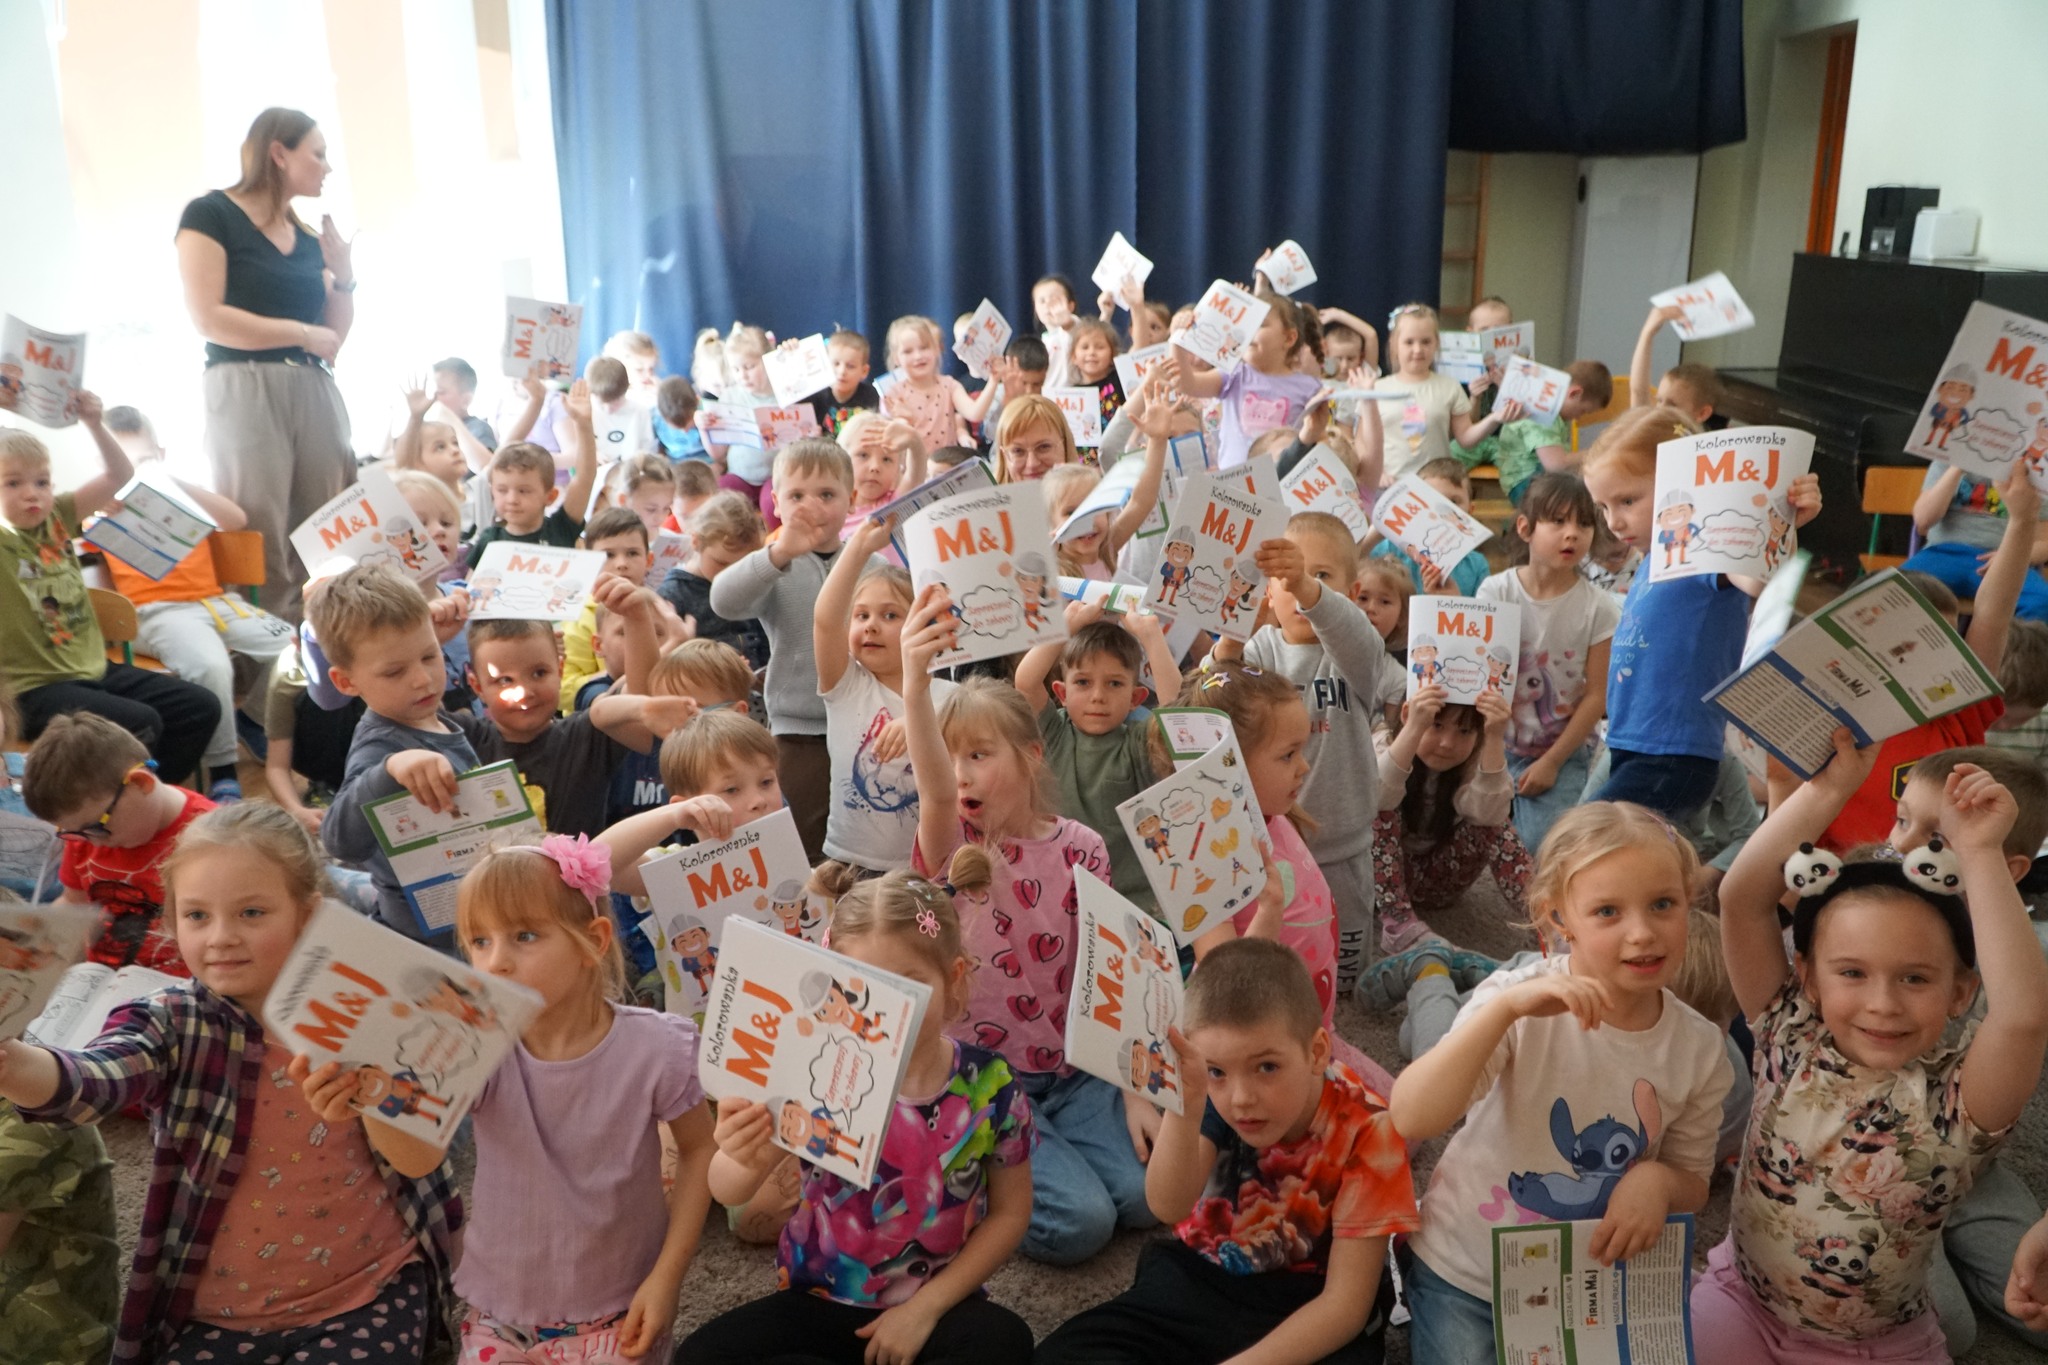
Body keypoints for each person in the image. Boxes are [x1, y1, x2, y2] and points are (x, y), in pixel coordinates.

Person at [0, 803, 462, 1364]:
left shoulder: (372, 1010)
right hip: (218, 1309)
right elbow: (94, 1081)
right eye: (197, 915)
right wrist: (11, 1061)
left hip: (366, 1289)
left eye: (251, 912)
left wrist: (374, 1097)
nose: (221, 937)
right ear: (172, 923)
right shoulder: (169, 1019)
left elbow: (418, 1160)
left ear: (308, 915)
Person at [1694, 732, 2048, 1361]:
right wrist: (1828, 788)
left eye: (1914, 978)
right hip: (1740, 1298)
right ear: (1808, 977)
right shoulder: (1787, 1029)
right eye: (1853, 972)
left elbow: (2022, 1019)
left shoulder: (1959, 1101)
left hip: (1877, 1346)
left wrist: (1980, 852)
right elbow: (1741, 900)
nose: (1882, 1003)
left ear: (1961, 993)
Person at [305, 837, 715, 1364]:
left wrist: (667, 1279)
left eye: (524, 936)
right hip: (500, 1310)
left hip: (620, 1305)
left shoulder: (659, 1046)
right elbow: (418, 1159)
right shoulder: (472, 1045)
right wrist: (371, 1100)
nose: (495, 962)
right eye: (479, 941)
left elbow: (699, 1150)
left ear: (593, 941)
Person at [1389, 799, 1732, 1365]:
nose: (1642, 933)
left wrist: (1657, 1181)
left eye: (1663, 904)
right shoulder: (1516, 1002)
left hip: (1585, 1282)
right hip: (1465, 1267)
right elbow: (1412, 1116)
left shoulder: (1698, 1047)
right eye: (1607, 911)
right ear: (1558, 918)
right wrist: (1504, 1012)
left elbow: (1694, 1181)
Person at [679, 872, 1037, 1365]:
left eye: (908, 985)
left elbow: (1011, 1213)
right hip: (816, 1299)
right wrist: (739, 1151)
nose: (885, 1010)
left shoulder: (990, 1084)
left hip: (933, 1308)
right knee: (700, 1356)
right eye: (864, 986)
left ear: (953, 977)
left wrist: (927, 1308)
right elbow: (729, 1190)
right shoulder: (813, 1069)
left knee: (1004, 1341)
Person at [1036, 938, 1416, 1365]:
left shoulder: (1368, 1128)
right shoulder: (1212, 1094)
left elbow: (1343, 1307)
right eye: (1217, 1070)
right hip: (1205, 1274)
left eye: (1267, 1067)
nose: (1241, 1099)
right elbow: (1168, 1205)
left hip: (1307, 1303)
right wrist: (1185, 1107)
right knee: (1061, 1355)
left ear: (1316, 1052)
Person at [900, 590, 1137, 1266]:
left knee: (1144, 1197)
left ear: (1032, 754)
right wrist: (915, 681)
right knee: (1084, 1225)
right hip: (985, 1081)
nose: (961, 774)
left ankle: (1024, 1157)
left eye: (979, 754)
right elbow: (936, 790)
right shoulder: (952, 845)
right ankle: (965, 1176)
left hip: (1074, 1072)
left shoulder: (1084, 847)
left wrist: (1136, 1091)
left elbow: (1108, 972)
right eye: (951, 757)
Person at [1884, 746, 2048, 1356]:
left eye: (1935, 838)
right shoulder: (1875, 918)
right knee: (1948, 1330)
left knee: (2037, 1297)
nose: (1901, 846)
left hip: (1973, 1170)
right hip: (1877, 1173)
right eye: (1902, 821)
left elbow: (2022, 1018)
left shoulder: (2021, 956)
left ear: (2009, 867)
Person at [1583, 406, 1820, 820]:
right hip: (1634, 743)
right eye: (1603, 506)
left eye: (1627, 501)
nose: (1614, 521)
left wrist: (1787, 523)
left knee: (1587, 840)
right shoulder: (1655, 557)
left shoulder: (1708, 551)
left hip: (1673, 754)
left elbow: (1758, 581)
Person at [174, 107, 356, 623]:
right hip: (243, 381)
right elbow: (209, 317)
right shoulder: (211, 214)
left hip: (313, 384)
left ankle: (328, 645)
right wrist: (300, 333)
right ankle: (266, 663)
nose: (327, 167)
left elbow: (332, 339)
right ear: (279, 153)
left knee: (327, 525)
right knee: (259, 529)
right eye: (318, 154)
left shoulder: (308, 237)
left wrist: (344, 276)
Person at [1183, 664, 1395, 1096]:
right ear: (1228, 766)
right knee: (1398, 1123)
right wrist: (1270, 911)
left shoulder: (1276, 818)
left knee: (1404, 1110)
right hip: (1260, 1063)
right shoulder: (1205, 857)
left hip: (1310, 1035)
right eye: (1288, 755)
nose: (1304, 766)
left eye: (1302, 750)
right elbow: (1224, 985)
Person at [1210, 516, 1386, 989]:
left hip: (1344, 845)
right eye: (1284, 578)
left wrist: (1305, 586)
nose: (1296, 583)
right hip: (1269, 846)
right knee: (1280, 960)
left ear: (1351, 593)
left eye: (1321, 574)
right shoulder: (1258, 651)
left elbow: (1353, 632)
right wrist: (1232, 637)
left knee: (1345, 974)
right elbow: (1210, 699)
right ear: (1267, 592)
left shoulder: (1354, 654)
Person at [0, 415, 220, 787]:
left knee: (200, 707)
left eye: (42, 482)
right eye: (12, 483)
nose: (32, 493)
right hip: (33, 689)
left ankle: (146, 799)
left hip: (93, 671)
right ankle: (117, 804)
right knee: (142, 722)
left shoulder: (58, 516)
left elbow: (119, 474)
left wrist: (93, 421)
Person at [99, 405, 296, 801]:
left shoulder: (183, 500)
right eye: (126, 465)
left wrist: (167, 479)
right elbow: (82, 561)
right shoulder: (105, 513)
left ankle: (252, 719)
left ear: (161, 454)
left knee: (298, 646)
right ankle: (222, 768)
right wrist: (105, 505)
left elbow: (235, 518)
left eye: (143, 460)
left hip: (215, 603)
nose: (136, 473)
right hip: (156, 613)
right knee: (210, 665)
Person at [708, 438, 866, 860]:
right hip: (799, 733)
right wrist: (778, 554)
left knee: (863, 844)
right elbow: (723, 601)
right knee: (801, 849)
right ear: (776, 503)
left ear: (851, 500)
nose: (811, 506)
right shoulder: (775, 566)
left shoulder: (872, 563)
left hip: (867, 728)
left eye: (826, 495)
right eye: (797, 496)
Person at [314, 562, 484, 940]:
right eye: (394, 672)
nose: (422, 679)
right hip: (431, 938)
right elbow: (337, 839)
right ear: (346, 681)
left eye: (430, 656)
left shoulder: (429, 715)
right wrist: (389, 769)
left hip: (476, 903)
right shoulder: (379, 747)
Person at [1476, 473, 1620, 853]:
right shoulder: (1496, 591)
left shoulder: (1600, 608)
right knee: (1476, 837)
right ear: (1525, 528)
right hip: (1493, 742)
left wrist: (1553, 762)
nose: (1572, 534)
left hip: (1562, 750)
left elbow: (1597, 695)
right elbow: (1480, 673)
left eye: (1583, 523)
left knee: (1547, 847)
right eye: (1557, 521)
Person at [21, 713, 216, 973]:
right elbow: (74, 902)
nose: (94, 843)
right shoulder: (86, 835)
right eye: (74, 833)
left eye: (97, 827)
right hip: (99, 978)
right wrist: (37, 934)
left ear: (140, 783)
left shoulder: (213, 839)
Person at [1016, 611, 1177, 917]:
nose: (1098, 696)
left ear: (1136, 698)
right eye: (1083, 682)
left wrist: (1151, 636)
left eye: (1114, 683)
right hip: (1057, 900)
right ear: (1062, 693)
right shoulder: (1053, 732)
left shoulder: (1138, 743)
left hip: (1130, 904)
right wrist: (1065, 625)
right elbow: (1025, 681)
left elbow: (1177, 714)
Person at [814, 523, 953, 874]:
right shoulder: (847, 686)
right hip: (847, 865)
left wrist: (919, 722)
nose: (871, 626)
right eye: (861, 615)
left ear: (926, 626)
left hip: (920, 870)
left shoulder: (952, 699)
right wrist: (858, 548)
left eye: (890, 615)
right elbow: (826, 622)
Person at [1171, 291, 1324, 470]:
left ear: (1289, 338)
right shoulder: (1234, 374)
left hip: (1282, 481)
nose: (1248, 332)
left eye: (1259, 325)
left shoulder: (1309, 388)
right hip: (1232, 483)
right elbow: (1186, 383)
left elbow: (1319, 440)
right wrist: (1178, 339)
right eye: (1246, 325)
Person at [1372, 304, 1519, 488]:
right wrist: (1378, 472)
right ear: (1394, 344)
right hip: (1389, 487)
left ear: (1437, 343)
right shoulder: (1377, 389)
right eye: (1409, 342)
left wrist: (1495, 417)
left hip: (1436, 488)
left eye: (1426, 342)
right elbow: (1364, 443)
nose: (1418, 349)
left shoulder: (1450, 387)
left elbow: (1465, 438)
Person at [1901, 453, 2048, 623]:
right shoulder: (1946, 461)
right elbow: (1923, 521)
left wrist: (2010, 558)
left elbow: (2044, 543)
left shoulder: (2034, 474)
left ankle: (2004, 642)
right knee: (1897, 589)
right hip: (1943, 554)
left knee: (2041, 602)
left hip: (2003, 561)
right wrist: (1957, 467)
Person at [470, 381, 600, 556]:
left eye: (524, 491)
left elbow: (585, 477)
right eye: (502, 490)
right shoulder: (489, 539)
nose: (512, 499)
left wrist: (583, 424)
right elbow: (472, 577)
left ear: (550, 496)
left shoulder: (561, 528)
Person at [659, 490, 769, 671]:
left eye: (740, 565)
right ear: (696, 541)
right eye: (721, 563)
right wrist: (721, 668)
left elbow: (764, 639)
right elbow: (668, 665)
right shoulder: (673, 594)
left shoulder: (748, 582)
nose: (730, 573)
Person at [1490, 360, 1613, 506]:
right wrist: (1594, 453)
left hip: (1538, 480)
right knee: (1585, 500)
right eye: (1583, 410)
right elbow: (1556, 464)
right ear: (1574, 393)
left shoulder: (1555, 414)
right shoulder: (1543, 413)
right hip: (1525, 485)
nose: (1578, 418)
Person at [1364, 456, 1490, 596]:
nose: (1444, 510)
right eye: (1432, 499)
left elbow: (1482, 609)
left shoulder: (1476, 565)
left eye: (1454, 502)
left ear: (1470, 511)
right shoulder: (1390, 548)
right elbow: (1352, 569)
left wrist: (1455, 601)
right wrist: (1377, 531)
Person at [880, 315, 994, 455]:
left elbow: (975, 413)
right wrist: (906, 421)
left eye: (924, 347)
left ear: (936, 349)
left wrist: (993, 380)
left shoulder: (949, 385)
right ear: (896, 358)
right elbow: (891, 442)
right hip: (912, 467)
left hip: (946, 466)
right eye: (908, 351)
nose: (918, 356)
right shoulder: (894, 394)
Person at [1629, 305, 1726, 427]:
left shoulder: (1694, 438)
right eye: (1659, 400)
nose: (1660, 410)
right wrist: (1647, 334)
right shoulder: (1653, 427)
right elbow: (1639, 392)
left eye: (1672, 405)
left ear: (1702, 413)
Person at [800, 329, 883, 439]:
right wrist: (789, 351)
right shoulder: (813, 395)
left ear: (864, 371)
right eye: (836, 364)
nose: (842, 371)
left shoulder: (872, 396)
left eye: (850, 366)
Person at [989, 394, 1080, 484]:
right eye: (1018, 451)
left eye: (1043, 447)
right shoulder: (985, 493)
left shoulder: (1088, 492)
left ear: (1065, 446)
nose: (1032, 464)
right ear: (1004, 456)